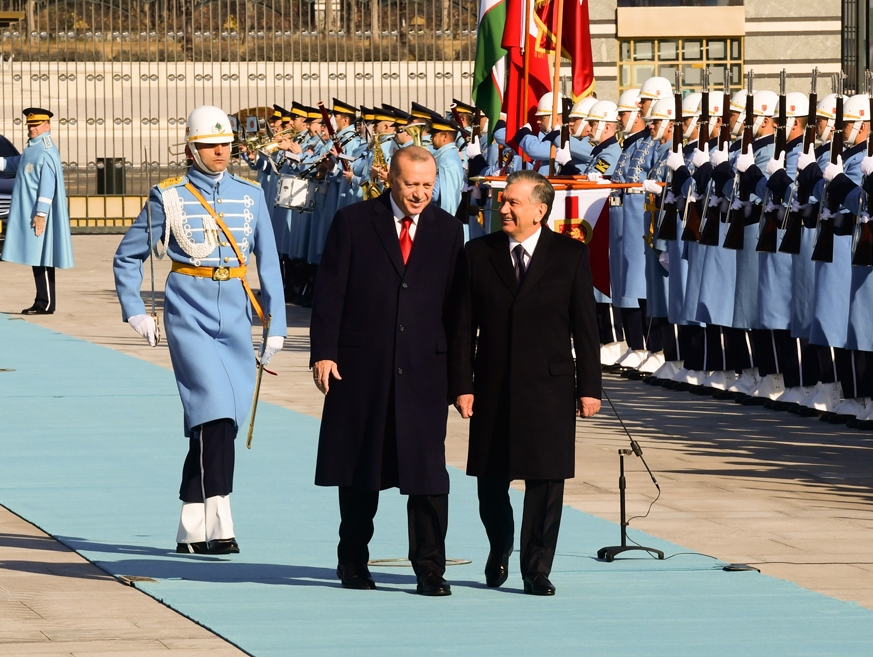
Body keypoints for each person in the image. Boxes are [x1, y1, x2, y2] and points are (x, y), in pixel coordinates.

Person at [113, 105, 287, 555]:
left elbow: (268, 264)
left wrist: (277, 326)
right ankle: (220, 521)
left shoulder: (250, 195)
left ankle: (189, 527)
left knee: (223, 422)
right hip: (186, 310)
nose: (221, 152)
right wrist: (134, 309)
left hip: (235, 314)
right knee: (212, 412)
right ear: (192, 148)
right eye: (211, 145)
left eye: (226, 143)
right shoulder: (167, 196)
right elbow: (128, 255)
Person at [309, 146, 464, 597]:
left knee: (429, 475)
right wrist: (324, 352)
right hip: (362, 367)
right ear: (390, 179)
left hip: (423, 371)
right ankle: (353, 561)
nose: (419, 194)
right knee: (362, 470)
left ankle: (430, 568)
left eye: (427, 185)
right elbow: (330, 293)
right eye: (410, 184)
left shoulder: (449, 230)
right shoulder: (354, 222)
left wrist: (461, 380)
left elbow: (456, 311)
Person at [449, 169, 602, 596]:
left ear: (540, 209)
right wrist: (462, 384)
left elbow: (585, 327)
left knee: (547, 482)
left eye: (513, 202)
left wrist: (590, 386)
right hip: (493, 386)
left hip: (549, 388)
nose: (503, 208)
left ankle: (536, 568)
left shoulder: (569, 255)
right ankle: (500, 545)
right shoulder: (478, 254)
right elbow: (462, 328)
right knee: (490, 480)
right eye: (503, 201)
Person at [0, 107, 72, 314]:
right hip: (33, 212)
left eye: (36, 125)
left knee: (43, 257)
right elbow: (15, 163)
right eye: (29, 125)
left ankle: (45, 302)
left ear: (47, 126)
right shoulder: (32, 148)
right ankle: (41, 300)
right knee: (38, 257)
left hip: (39, 214)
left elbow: (48, 184)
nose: (32, 128)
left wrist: (41, 214)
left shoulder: (45, 151)